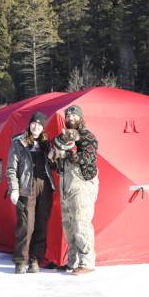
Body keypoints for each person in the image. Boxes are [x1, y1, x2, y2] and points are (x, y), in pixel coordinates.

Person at [6, 112, 55, 274]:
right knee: (26, 226)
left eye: (40, 125)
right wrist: (14, 188)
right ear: (30, 124)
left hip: (44, 186)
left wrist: (57, 153)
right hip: (26, 188)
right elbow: (11, 169)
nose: (36, 127)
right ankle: (21, 260)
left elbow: (55, 165)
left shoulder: (46, 143)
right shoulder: (18, 142)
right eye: (34, 123)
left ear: (43, 128)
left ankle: (35, 259)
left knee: (41, 224)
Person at [53, 104, 99, 275]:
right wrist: (55, 157)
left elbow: (89, 157)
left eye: (74, 115)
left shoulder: (87, 136)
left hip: (82, 183)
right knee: (69, 225)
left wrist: (72, 154)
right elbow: (57, 162)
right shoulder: (62, 137)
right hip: (66, 183)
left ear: (80, 117)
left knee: (81, 222)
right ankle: (72, 262)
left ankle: (87, 262)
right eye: (68, 116)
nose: (70, 118)